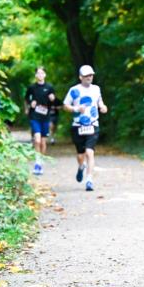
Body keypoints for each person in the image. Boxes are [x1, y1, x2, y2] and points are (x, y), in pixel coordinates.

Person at [63, 64, 108, 192]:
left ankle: (89, 180)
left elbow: (100, 101)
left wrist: (103, 107)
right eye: (86, 75)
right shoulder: (74, 90)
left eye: (91, 75)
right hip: (78, 126)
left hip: (93, 124)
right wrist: (76, 108)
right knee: (80, 155)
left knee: (90, 152)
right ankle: (81, 166)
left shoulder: (96, 89)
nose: (89, 77)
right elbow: (65, 105)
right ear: (80, 77)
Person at [24, 67, 56, 175]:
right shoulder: (32, 87)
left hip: (45, 117)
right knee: (37, 140)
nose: (40, 75)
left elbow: (54, 102)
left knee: (43, 142)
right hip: (35, 116)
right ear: (36, 76)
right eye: (38, 73)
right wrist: (29, 105)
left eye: (42, 73)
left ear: (45, 75)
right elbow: (26, 98)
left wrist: (52, 99)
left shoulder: (49, 87)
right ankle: (37, 162)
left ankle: (41, 162)